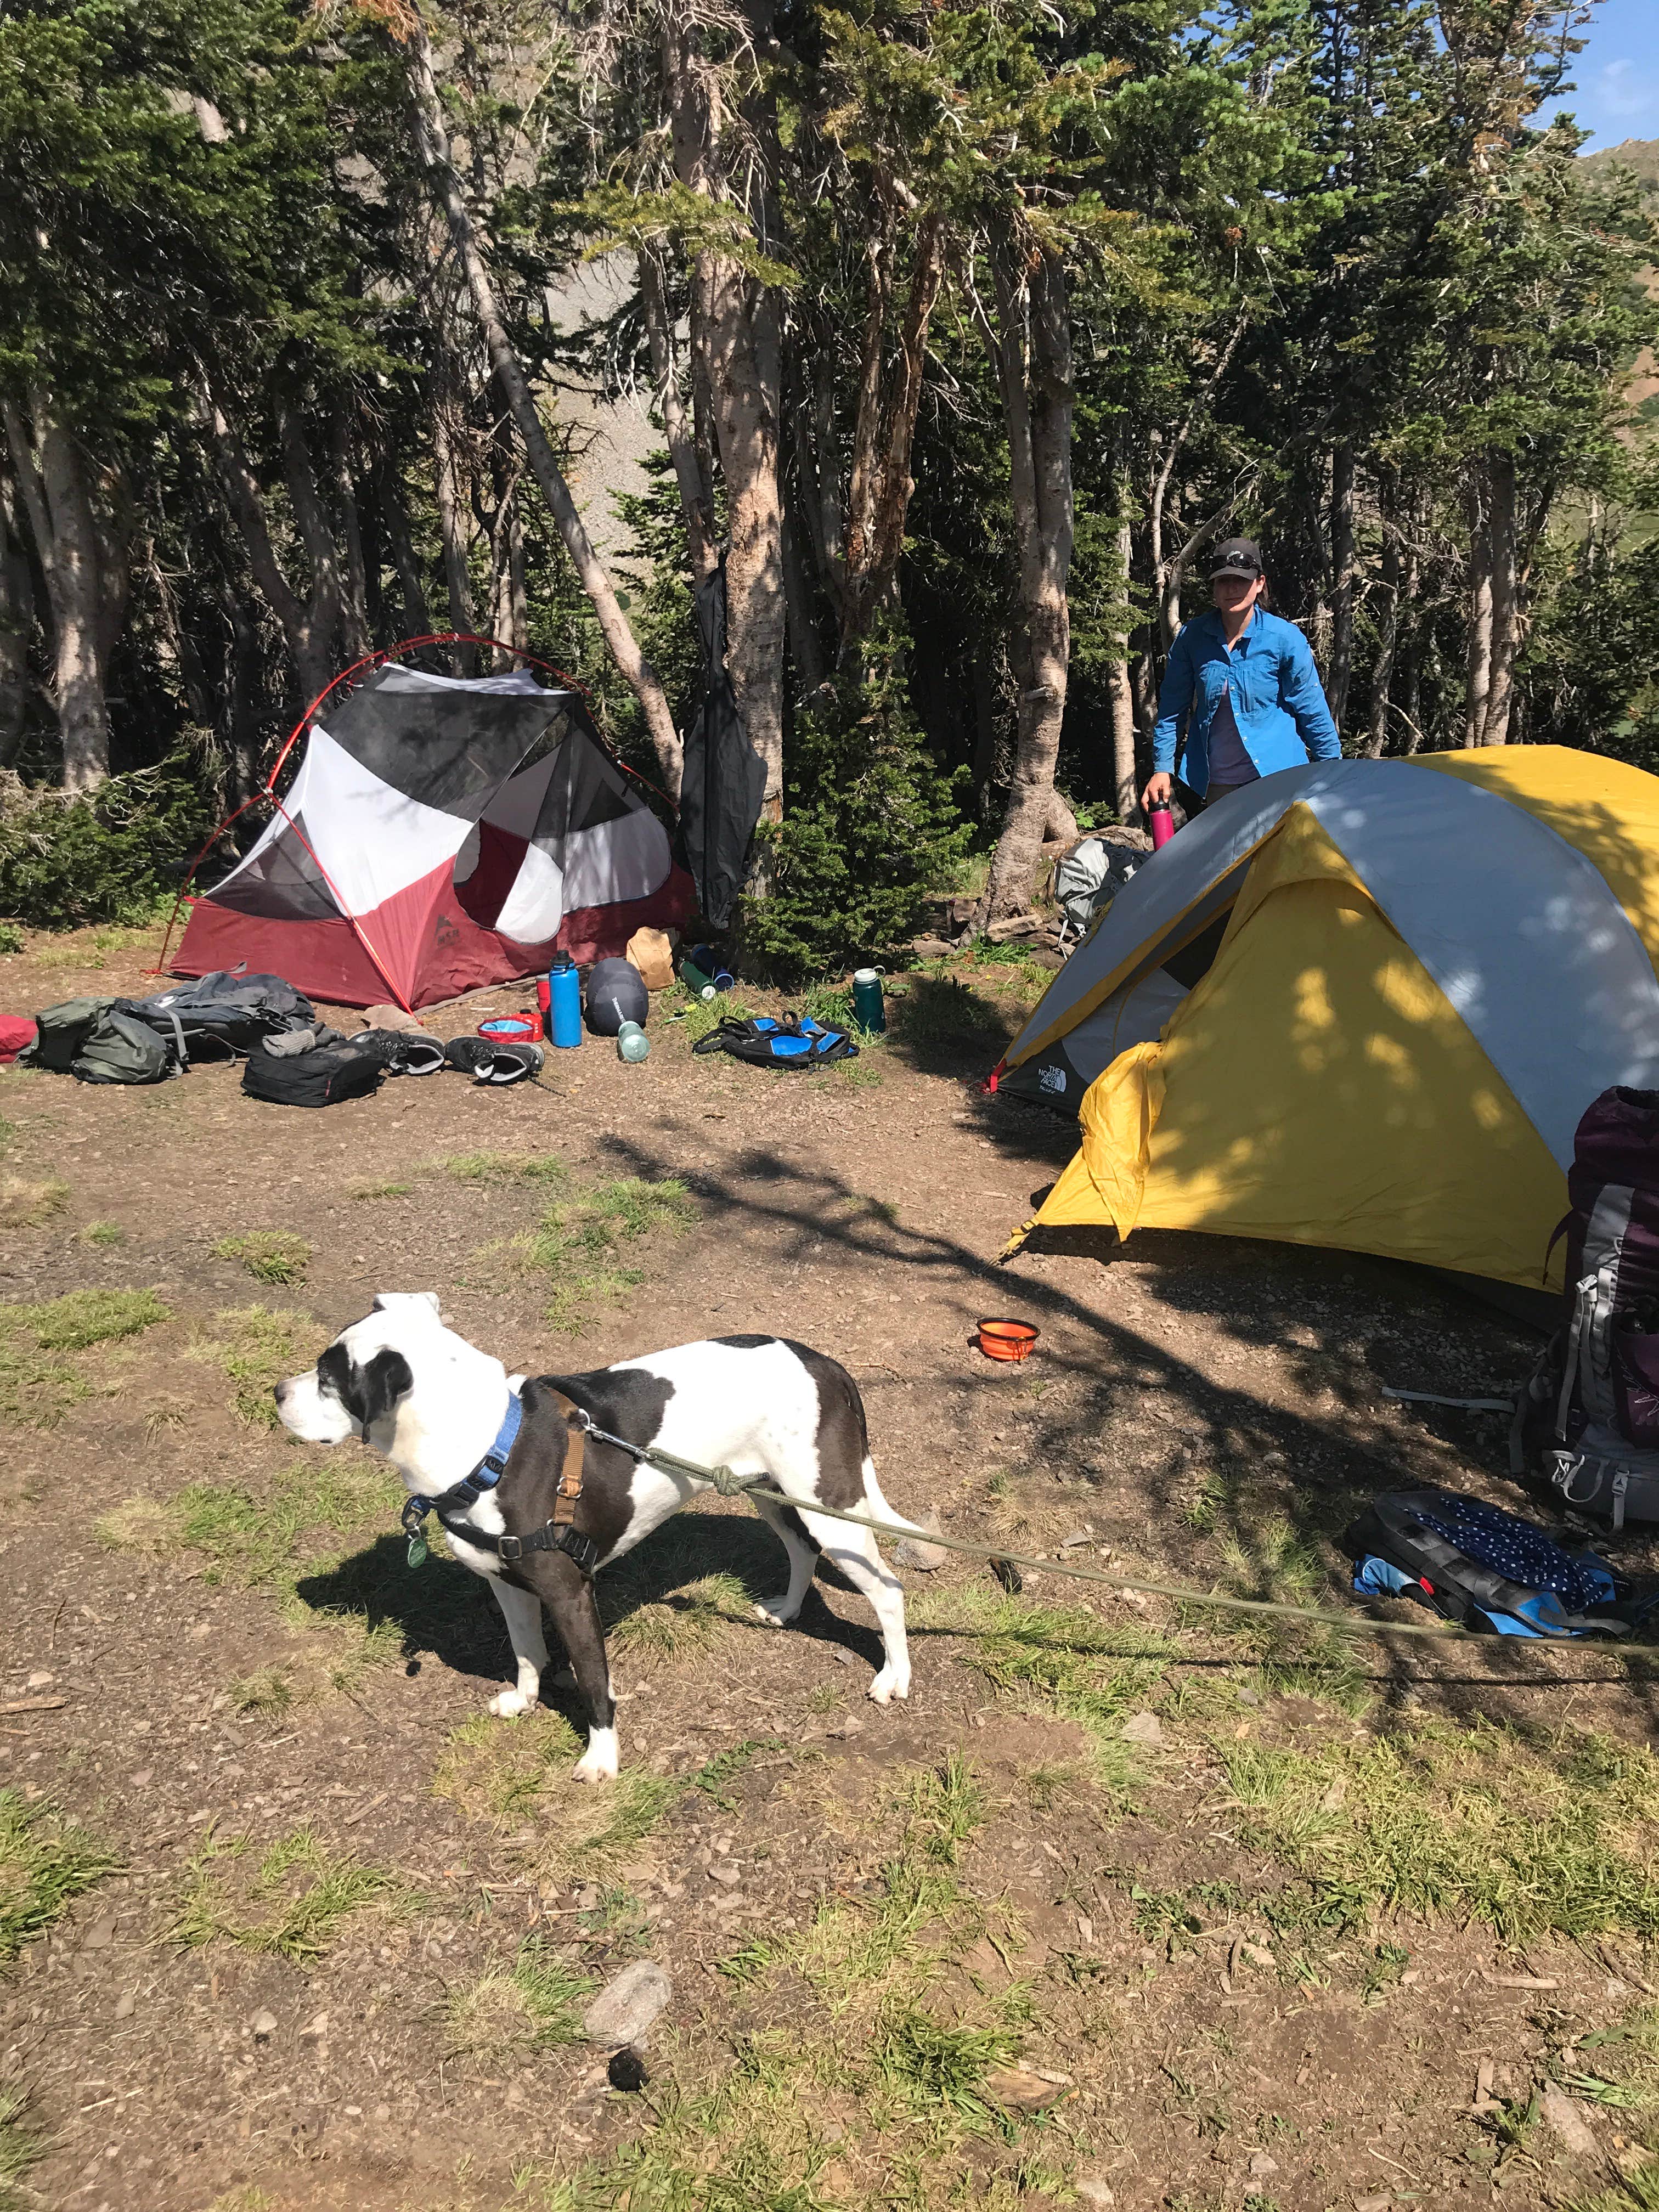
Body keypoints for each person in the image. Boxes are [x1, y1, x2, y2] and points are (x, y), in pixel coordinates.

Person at [1142, 538, 1340, 817]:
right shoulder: (1192, 638)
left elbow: (1312, 709)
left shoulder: (1284, 639)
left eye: (1241, 580)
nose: (1232, 588)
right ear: (1214, 588)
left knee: (1280, 859)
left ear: (1259, 583)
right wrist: (1162, 769)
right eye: (1223, 581)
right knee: (1233, 861)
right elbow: (1172, 709)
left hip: (1279, 777)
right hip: (1217, 785)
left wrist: (1333, 767)